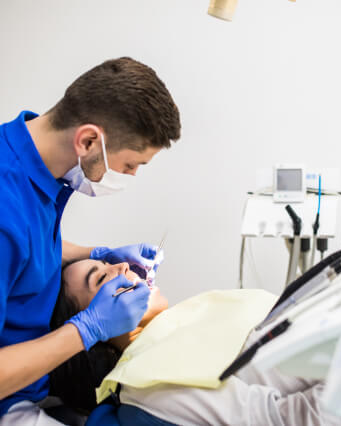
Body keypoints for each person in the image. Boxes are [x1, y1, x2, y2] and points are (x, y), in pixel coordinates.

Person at [0, 57, 181, 424]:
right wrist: (89, 328)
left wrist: (96, 253)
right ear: (88, 140)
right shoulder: (6, 199)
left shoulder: (31, 168)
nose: (129, 176)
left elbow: (22, 249)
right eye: (131, 165)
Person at [49, 259, 341, 426]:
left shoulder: (191, 316)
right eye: (101, 278)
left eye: (107, 262)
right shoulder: (153, 382)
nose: (123, 266)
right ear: (93, 330)